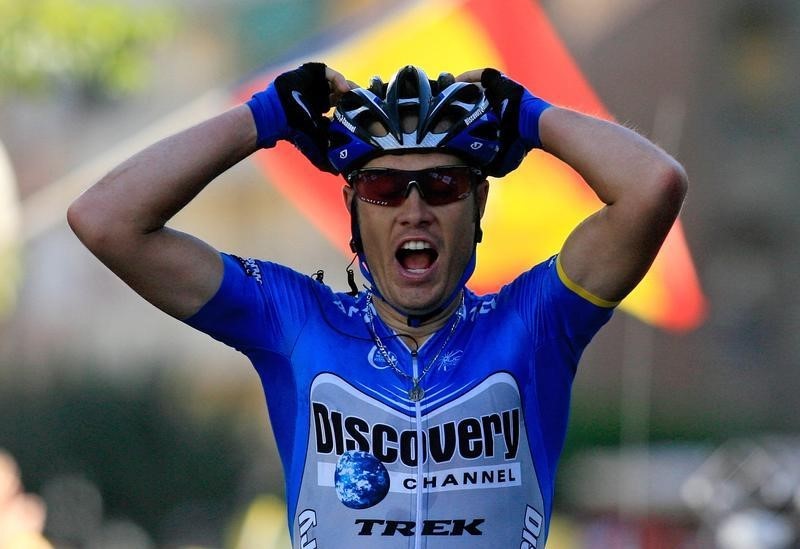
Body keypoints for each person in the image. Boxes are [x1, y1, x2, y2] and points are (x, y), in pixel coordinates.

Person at [68, 62, 687, 547]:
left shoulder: (533, 326)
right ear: (353, 212)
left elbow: (653, 187)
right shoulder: (295, 322)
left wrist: (529, 115)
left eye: (442, 186)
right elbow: (105, 221)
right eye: (385, 188)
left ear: (479, 209)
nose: (415, 210)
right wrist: (266, 116)